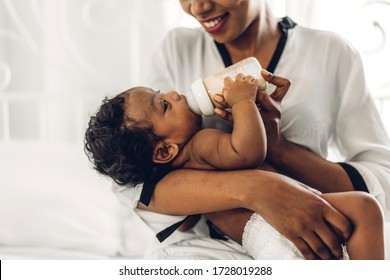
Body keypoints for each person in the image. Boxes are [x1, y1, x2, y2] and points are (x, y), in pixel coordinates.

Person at [85, 73, 384, 259]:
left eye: (162, 93)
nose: (174, 95)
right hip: (276, 232)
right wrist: (243, 102)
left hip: (267, 242)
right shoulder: (200, 147)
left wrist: (266, 122)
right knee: (364, 208)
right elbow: (248, 154)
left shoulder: (179, 172)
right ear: (164, 150)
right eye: (164, 105)